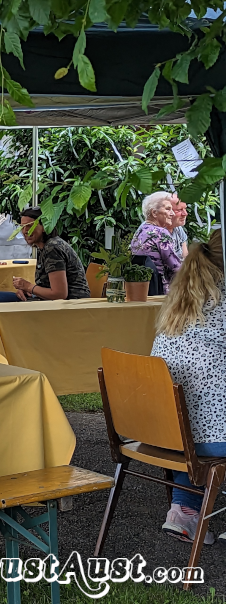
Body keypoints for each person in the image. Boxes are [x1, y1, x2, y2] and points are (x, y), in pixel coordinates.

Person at [151, 230, 226, 544]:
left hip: (166, 433)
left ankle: (184, 510)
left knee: (194, 418)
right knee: (204, 420)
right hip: (212, 441)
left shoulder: (178, 305)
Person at [0, 207, 90, 302]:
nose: (25, 231)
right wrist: (29, 290)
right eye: (22, 227)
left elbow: (60, 294)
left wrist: (28, 287)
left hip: (70, 305)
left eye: (29, 226)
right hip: (53, 302)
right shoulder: (45, 246)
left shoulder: (52, 248)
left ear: (44, 226)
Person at [131, 192, 182, 294]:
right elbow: (175, 268)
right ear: (154, 213)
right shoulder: (161, 233)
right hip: (160, 291)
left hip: (141, 290)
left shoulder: (140, 230)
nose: (172, 214)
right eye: (168, 209)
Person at [169, 193, 189, 259]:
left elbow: (185, 256)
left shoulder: (178, 228)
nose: (185, 213)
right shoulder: (154, 232)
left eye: (185, 209)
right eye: (179, 210)